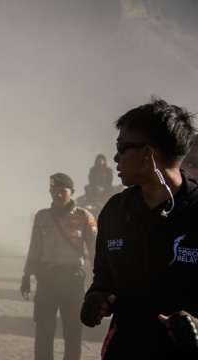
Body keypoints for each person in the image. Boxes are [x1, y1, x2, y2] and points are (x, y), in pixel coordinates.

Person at [80, 96, 198, 359]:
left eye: (121, 147)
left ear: (147, 153)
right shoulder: (114, 212)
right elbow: (104, 279)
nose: (115, 157)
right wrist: (97, 298)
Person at [20, 173, 97, 360]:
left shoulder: (85, 217)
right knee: (43, 330)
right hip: (48, 280)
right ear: (49, 192)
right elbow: (35, 248)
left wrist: (100, 280)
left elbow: (96, 250)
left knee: (72, 331)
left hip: (73, 281)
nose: (58, 195)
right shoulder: (42, 217)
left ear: (72, 192)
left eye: (63, 191)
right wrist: (26, 276)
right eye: (54, 191)